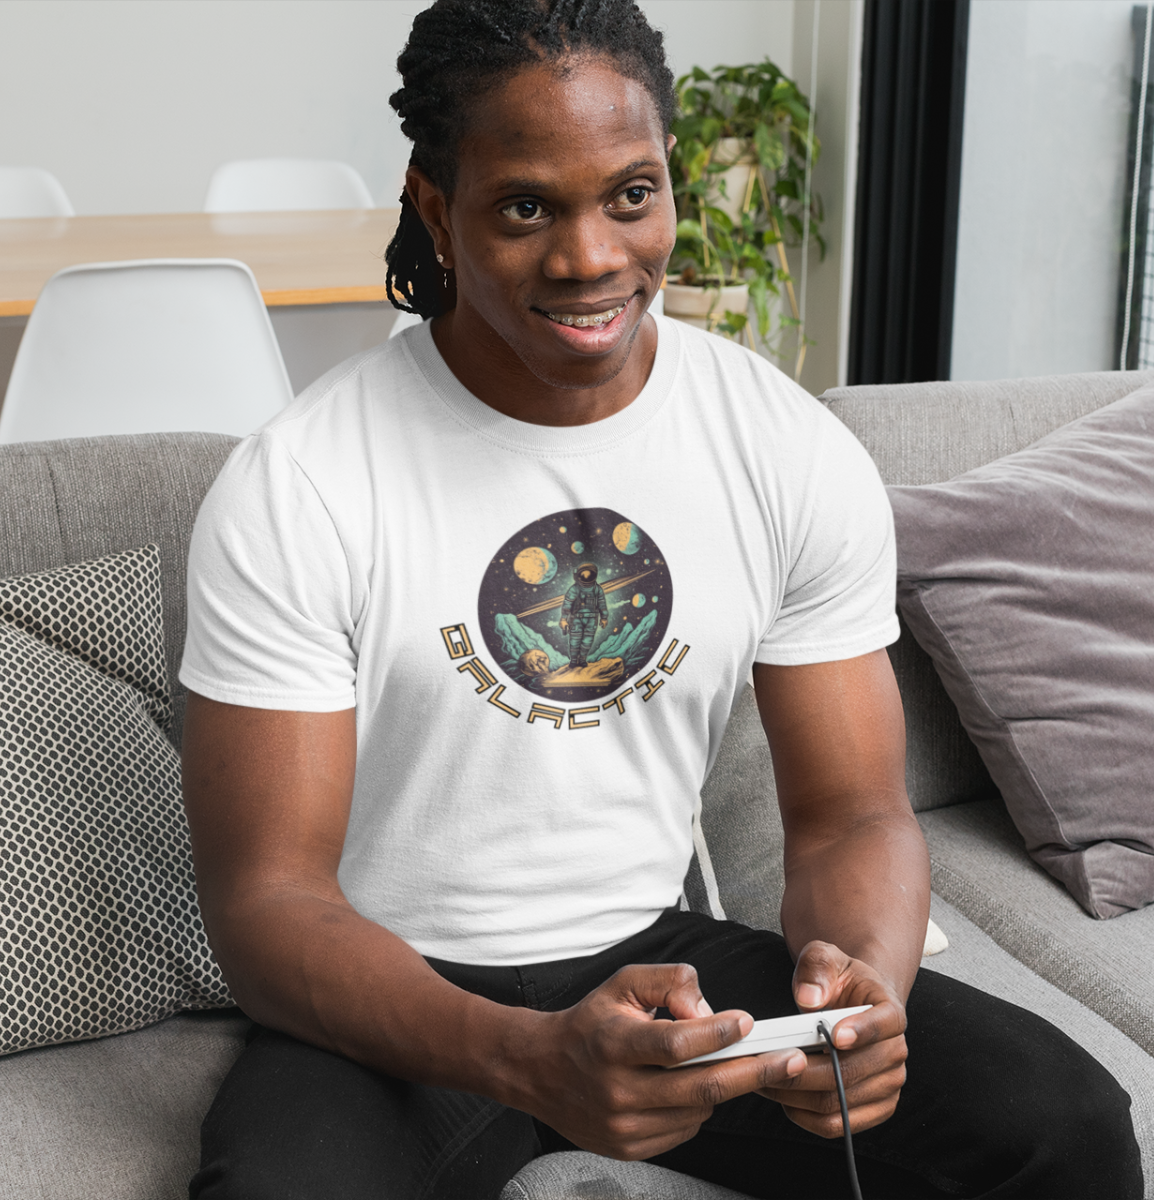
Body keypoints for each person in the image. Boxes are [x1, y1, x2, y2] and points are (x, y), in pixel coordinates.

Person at [179, 2, 1142, 1197]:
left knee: (1062, 1121)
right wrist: (528, 1059)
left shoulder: (784, 448)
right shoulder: (302, 483)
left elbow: (851, 815)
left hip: (654, 959)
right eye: (527, 205)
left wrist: (862, 996)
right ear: (437, 205)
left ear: (669, 182)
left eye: (629, 195)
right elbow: (267, 903)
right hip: (390, 999)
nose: (591, 257)